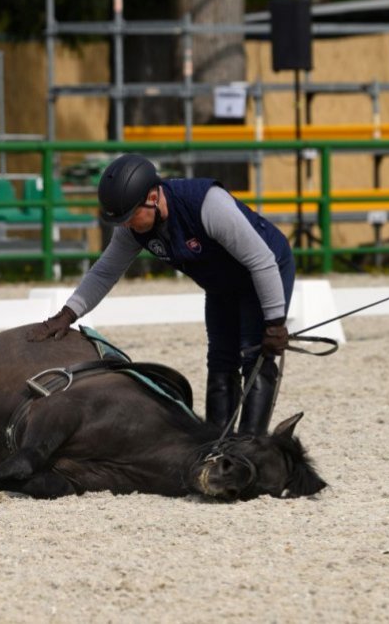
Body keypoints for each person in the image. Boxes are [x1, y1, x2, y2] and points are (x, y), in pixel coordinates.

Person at [27, 153, 294, 436]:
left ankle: (250, 442)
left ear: (153, 197)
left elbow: (261, 261)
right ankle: (215, 441)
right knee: (221, 358)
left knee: (256, 354)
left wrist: (275, 323)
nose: (126, 225)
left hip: (264, 270)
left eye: (131, 217)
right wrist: (66, 315)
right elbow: (105, 272)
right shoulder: (130, 228)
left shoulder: (208, 205)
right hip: (220, 284)